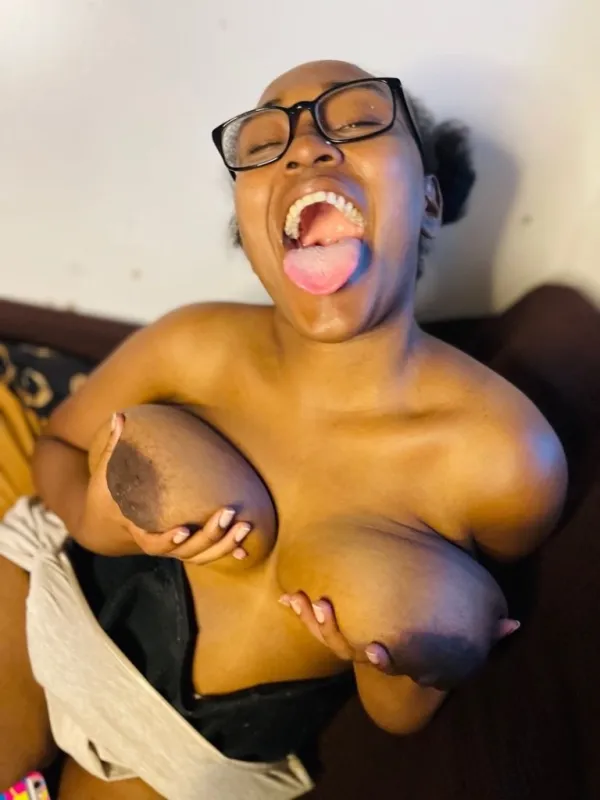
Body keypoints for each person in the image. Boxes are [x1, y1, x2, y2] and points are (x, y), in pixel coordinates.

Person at [0, 60, 567, 799]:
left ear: (428, 200)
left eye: (358, 122)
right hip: (53, 602)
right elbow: (57, 447)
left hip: (189, 752)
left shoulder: (505, 460)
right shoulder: (192, 343)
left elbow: (403, 707)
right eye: (266, 143)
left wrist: (395, 653)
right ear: (252, 227)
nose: (305, 147)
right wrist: (94, 517)